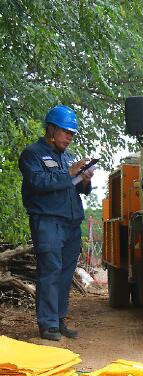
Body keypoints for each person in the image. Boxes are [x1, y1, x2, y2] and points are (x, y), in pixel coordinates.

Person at [18, 105, 94, 341]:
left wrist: (84, 178)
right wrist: (68, 172)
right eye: (66, 132)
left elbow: (78, 190)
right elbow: (38, 182)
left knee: (65, 273)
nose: (70, 137)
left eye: (72, 133)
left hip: (71, 223)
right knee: (50, 271)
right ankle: (48, 324)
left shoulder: (69, 158)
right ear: (51, 128)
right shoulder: (33, 154)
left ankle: (59, 320)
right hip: (48, 222)